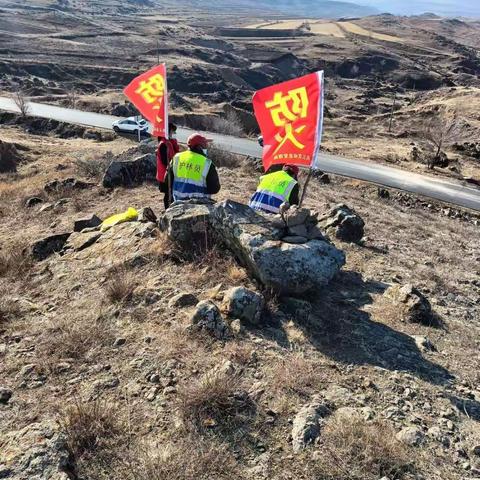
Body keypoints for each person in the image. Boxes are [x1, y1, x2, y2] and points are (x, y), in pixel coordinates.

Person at [166, 133, 220, 203]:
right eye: (205, 145)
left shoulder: (177, 158)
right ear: (199, 147)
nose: (206, 147)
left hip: (177, 203)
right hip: (199, 206)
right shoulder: (207, 163)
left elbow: (167, 181)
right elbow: (214, 189)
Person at [156, 122, 180, 210]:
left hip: (170, 173)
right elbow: (165, 161)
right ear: (168, 131)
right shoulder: (163, 144)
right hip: (166, 175)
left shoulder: (169, 143)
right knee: (168, 194)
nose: (173, 134)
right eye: (172, 132)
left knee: (170, 193)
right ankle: (168, 210)